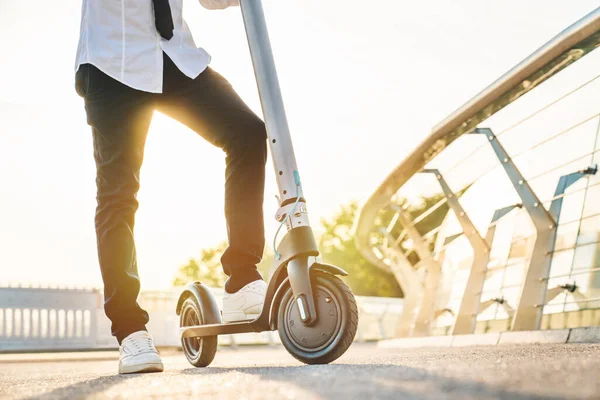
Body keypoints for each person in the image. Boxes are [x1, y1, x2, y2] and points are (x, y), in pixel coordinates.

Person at [75, 0, 268, 374]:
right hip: (112, 63)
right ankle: (130, 331)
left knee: (248, 134)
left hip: (175, 58)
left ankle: (243, 280)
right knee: (118, 197)